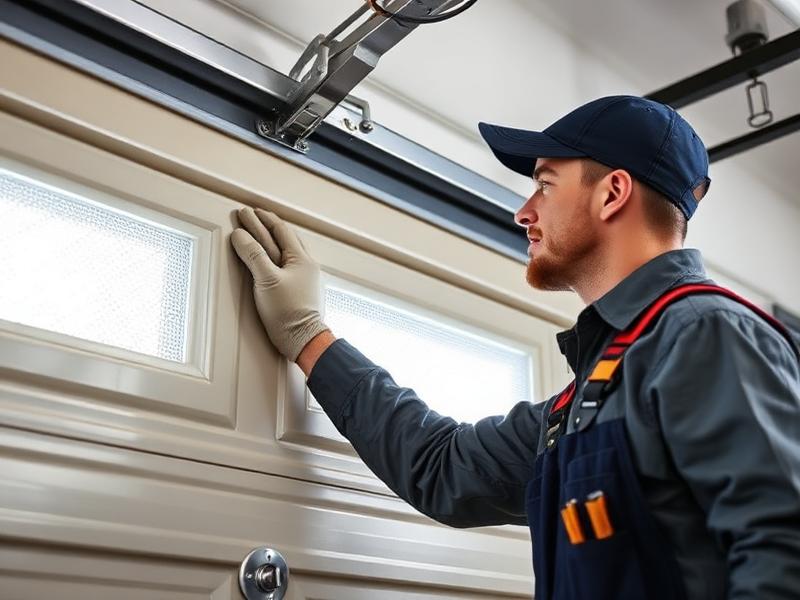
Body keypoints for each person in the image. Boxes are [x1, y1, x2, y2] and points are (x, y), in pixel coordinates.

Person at [230, 95, 800, 600]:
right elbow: (443, 468)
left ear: (613, 193)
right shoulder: (588, 399)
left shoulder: (705, 335)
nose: (524, 212)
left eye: (545, 185)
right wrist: (309, 337)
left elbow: (784, 546)